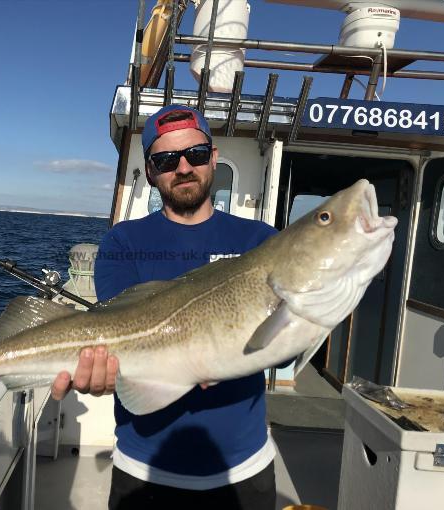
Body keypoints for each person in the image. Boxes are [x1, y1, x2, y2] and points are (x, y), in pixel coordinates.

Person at [51, 104, 279, 509]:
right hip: (143, 471)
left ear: (213, 157)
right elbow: (119, 331)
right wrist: (99, 368)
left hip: (244, 470)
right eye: (167, 159)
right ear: (152, 171)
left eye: (195, 153)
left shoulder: (259, 243)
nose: (184, 167)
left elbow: (286, 341)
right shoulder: (123, 243)